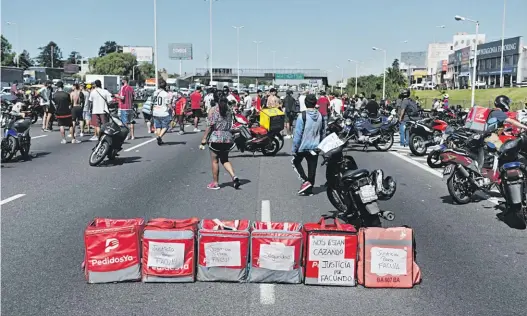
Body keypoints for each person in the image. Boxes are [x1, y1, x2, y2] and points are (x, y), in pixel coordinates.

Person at [200, 95, 240, 190]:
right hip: (227, 138)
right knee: (225, 159)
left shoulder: (214, 110)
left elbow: (210, 125)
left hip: (216, 138)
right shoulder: (229, 111)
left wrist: (204, 138)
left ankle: (215, 183)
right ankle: (234, 176)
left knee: (215, 161)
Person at [291, 94, 325, 196]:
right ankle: (309, 189)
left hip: (303, 146)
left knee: (295, 162)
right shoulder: (320, 115)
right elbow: (323, 131)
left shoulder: (302, 116)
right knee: (312, 168)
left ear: (305, 103)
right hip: (315, 146)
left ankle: (305, 182)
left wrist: (294, 148)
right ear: (315, 103)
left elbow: (298, 134)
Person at [152, 79, 171, 145]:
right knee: (166, 126)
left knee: (158, 126)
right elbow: (168, 104)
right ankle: (159, 137)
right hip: (163, 112)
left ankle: (159, 139)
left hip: (155, 111)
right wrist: (172, 109)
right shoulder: (166, 94)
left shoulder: (155, 92)